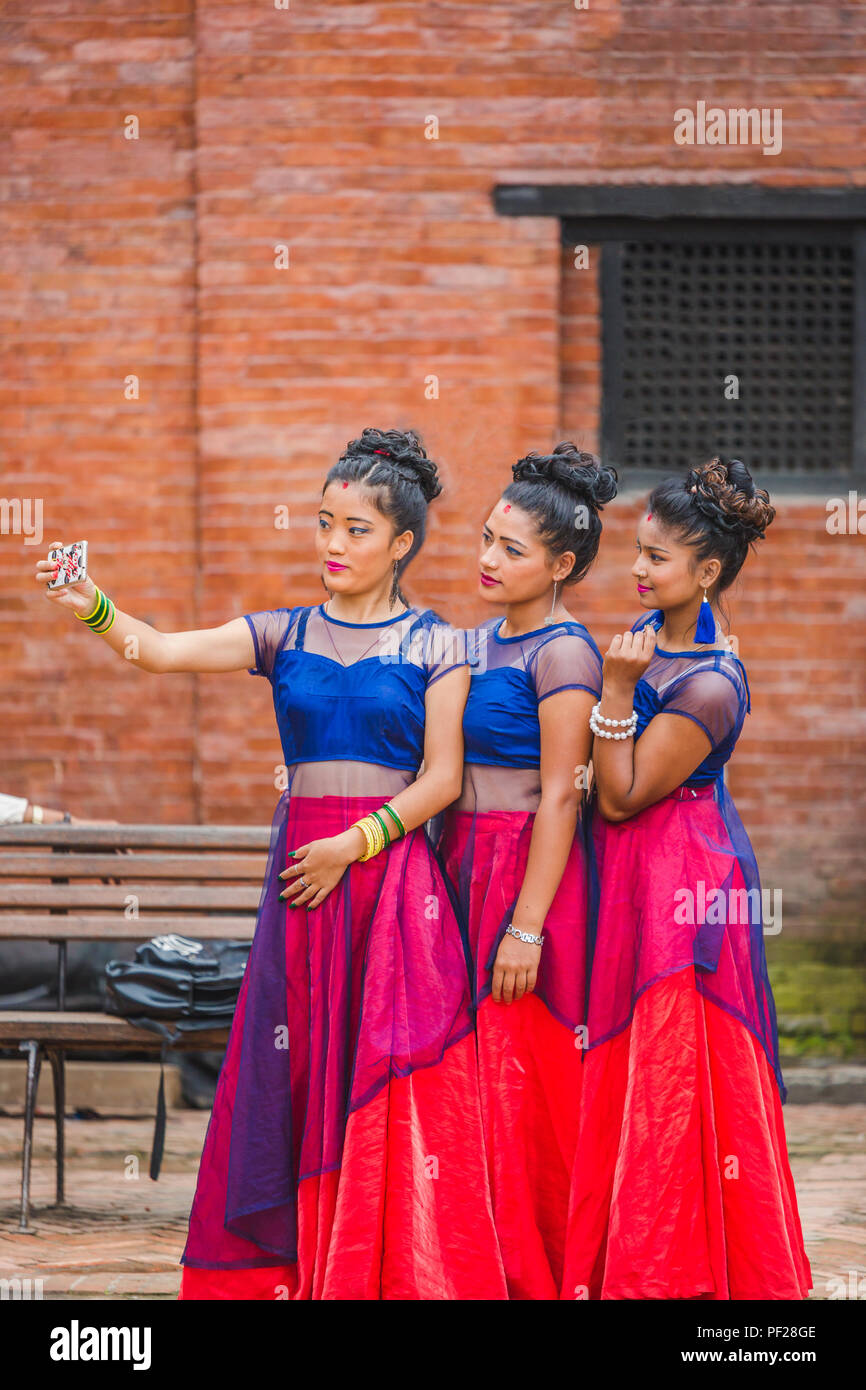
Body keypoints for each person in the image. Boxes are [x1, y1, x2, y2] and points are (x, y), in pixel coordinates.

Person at [36, 427, 507, 1301]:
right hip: (301, 885)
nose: (332, 543)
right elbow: (162, 651)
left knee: (385, 1075)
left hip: (390, 885)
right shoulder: (282, 633)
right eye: (324, 522)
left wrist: (353, 844)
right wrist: (90, 603)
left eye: (356, 529)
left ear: (403, 544)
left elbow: (443, 779)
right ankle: (289, 1270)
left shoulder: (442, 645)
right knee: (288, 1067)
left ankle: (386, 1267)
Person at [563, 457, 812, 1301]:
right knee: (631, 1061)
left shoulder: (708, 681)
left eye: (658, 558)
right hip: (633, 878)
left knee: (677, 1071)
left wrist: (615, 690)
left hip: (680, 885)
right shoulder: (654, 647)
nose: (637, 569)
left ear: (706, 572)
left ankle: (674, 1269)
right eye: (637, 551)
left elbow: (626, 796)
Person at [438, 443, 615, 1299]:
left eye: (511, 549)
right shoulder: (471, 641)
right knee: (466, 1070)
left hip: (526, 874)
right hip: (460, 865)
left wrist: (525, 924)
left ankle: (533, 1264)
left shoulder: (565, 654)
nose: (487, 559)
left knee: (526, 1073)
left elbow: (563, 796)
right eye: (484, 539)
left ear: (563, 565)